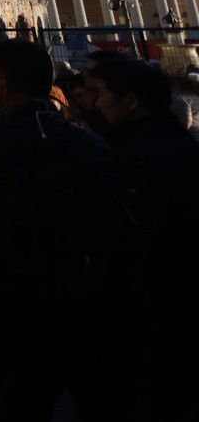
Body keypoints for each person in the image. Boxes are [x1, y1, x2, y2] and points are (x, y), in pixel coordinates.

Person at [0, 39, 121, 421]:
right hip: (88, 296)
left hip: (15, 299)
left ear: (2, 83)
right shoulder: (88, 143)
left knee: (19, 402)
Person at [84, 56, 199, 419]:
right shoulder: (173, 145)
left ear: (131, 100)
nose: (95, 101)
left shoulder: (135, 156)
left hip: (150, 307)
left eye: (99, 93)